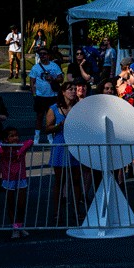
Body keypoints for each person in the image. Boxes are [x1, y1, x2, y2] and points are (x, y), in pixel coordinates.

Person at [45, 82, 85, 224]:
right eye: (70, 89)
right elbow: (47, 128)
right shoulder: (54, 109)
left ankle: (76, 209)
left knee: (75, 179)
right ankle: (56, 212)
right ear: (63, 92)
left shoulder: (79, 108)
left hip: (75, 145)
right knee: (59, 181)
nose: (73, 91)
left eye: (75, 89)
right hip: (61, 144)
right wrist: (58, 126)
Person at [0, 127, 33, 239]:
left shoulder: (21, 145)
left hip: (21, 178)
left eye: (16, 135)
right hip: (8, 179)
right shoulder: (4, 147)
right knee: (11, 204)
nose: (15, 138)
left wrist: (21, 150)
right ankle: (15, 228)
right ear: (6, 139)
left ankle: (20, 225)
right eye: (11, 136)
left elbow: (30, 141)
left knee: (21, 204)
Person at [29, 47, 63, 143]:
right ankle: (37, 136)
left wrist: (53, 79)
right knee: (39, 116)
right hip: (40, 96)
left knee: (51, 117)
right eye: (41, 54)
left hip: (52, 95)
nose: (43, 56)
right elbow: (32, 81)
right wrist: (34, 94)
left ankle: (50, 136)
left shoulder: (54, 66)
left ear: (48, 55)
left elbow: (61, 79)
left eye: (44, 54)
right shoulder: (35, 68)